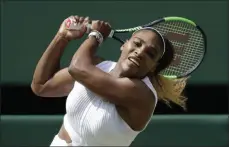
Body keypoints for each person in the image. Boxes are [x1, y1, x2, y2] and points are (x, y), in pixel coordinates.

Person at [31, 15, 188, 146]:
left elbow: (77, 67)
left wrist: (97, 36)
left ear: (154, 67)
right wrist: (62, 37)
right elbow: (42, 85)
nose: (139, 52)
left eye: (150, 54)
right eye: (137, 43)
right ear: (124, 45)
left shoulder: (142, 94)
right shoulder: (97, 66)